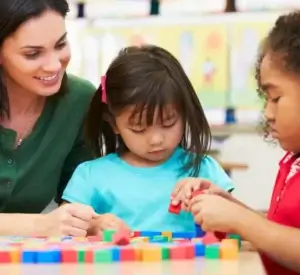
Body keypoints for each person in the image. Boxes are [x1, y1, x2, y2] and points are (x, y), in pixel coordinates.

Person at [171, 11, 300, 275]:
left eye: (276, 98)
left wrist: (241, 221)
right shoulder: (293, 161)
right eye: (265, 99)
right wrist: (230, 208)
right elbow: (281, 232)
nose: (267, 112)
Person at [61, 45, 234, 234]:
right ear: (114, 123)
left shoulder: (203, 170)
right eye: (139, 128)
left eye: (168, 123)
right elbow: (63, 228)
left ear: (185, 112)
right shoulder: (91, 176)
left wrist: (212, 199)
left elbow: (240, 226)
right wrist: (94, 226)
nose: (156, 139)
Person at [0, 0, 97, 237]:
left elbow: (76, 199)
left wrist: (94, 221)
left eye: (61, 44)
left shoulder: (78, 100)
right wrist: (40, 226)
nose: (54, 65)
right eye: (32, 54)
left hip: (29, 265)